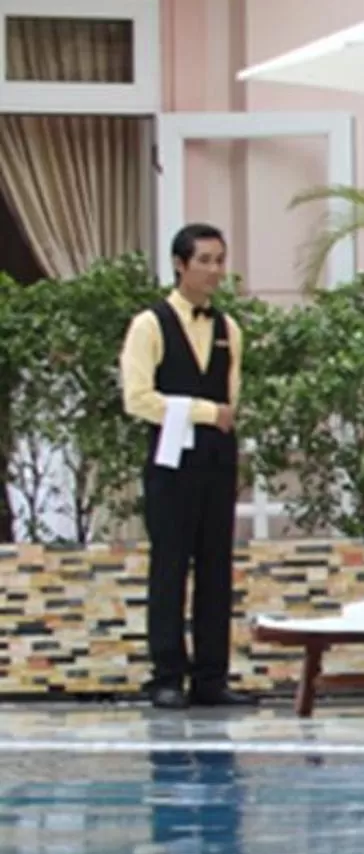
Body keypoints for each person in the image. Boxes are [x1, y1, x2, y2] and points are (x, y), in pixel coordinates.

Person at [121, 224, 250, 709]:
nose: (216, 270)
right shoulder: (149, 325)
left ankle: (212, 677)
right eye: (206, 261)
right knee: (171, 564)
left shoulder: (228, 328)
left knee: (217, 566)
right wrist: (201, 412)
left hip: (216, 458)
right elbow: (137, 399)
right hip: (170, 461)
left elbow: (230, 396)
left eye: (221, 259)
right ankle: (167, 674)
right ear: (180, 264)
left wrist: (219, 419)